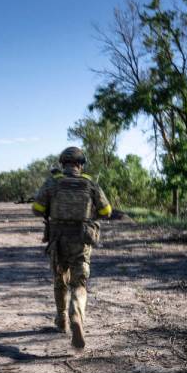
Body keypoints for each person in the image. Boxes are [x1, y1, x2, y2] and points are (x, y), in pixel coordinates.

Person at [32, 147, 112, 349]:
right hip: (81, 239)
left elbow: (37, 209)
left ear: (62, 163)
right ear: (81, 164)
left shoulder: (53, 182)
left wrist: (52, 207)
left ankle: (62, 320)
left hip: (58, 239)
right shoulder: (90, 183)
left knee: (60, 280)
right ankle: (76, 314)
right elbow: (106, 210)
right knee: (79, 283)